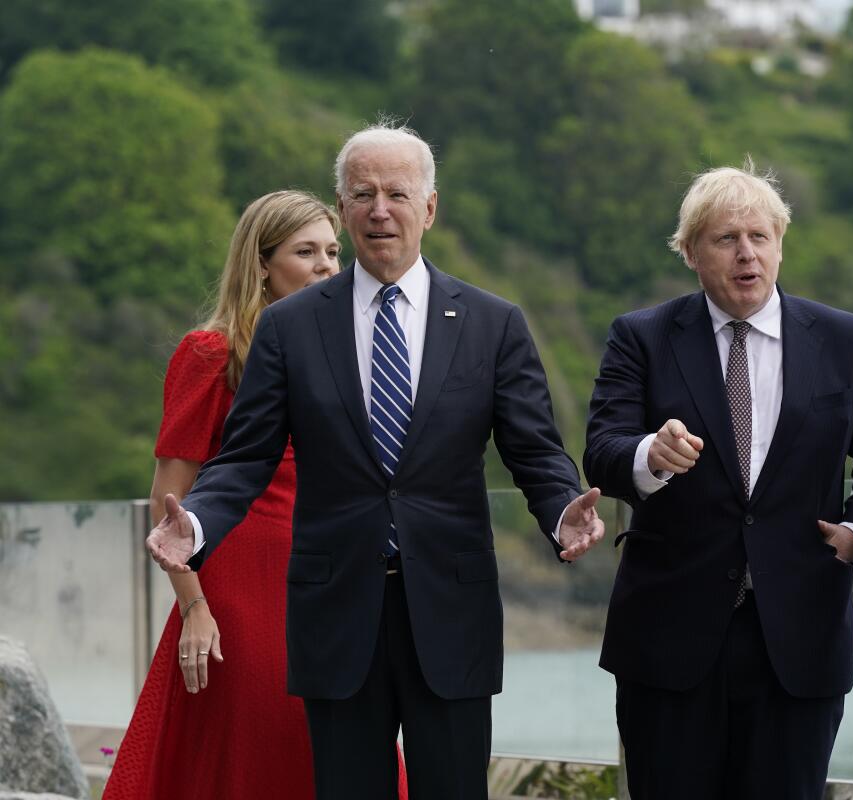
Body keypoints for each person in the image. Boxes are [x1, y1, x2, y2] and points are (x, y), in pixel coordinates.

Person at [144, 122, 605, 799]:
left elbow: (533, 449)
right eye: (362, 194)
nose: (380, 209)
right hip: (335, 613)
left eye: (397, 193)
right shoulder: (290, 327)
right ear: (342, 206)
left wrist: (562, 509)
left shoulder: (491, 322)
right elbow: (244, 458)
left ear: (430, 207)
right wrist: (200, 526)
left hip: (450, 613)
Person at [583, 162, 853, 799]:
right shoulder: (640, 337)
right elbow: (603, 450)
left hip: (799, 633)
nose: (746, 253)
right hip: (669, 638)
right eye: (725, 239)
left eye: (760, 236)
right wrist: (650, 454)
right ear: (691, 252)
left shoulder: (844, 339)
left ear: (781, 244)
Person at [103, 191, 414, 798]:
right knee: (261, 746)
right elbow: (170, 492)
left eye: (332, 250)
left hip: (330, 577)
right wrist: (194, 608)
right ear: (261, 265)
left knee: (345, 746)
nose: (328, 265)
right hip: (242, 585)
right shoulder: (211, 353)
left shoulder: (344, 350)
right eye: (306, 251)